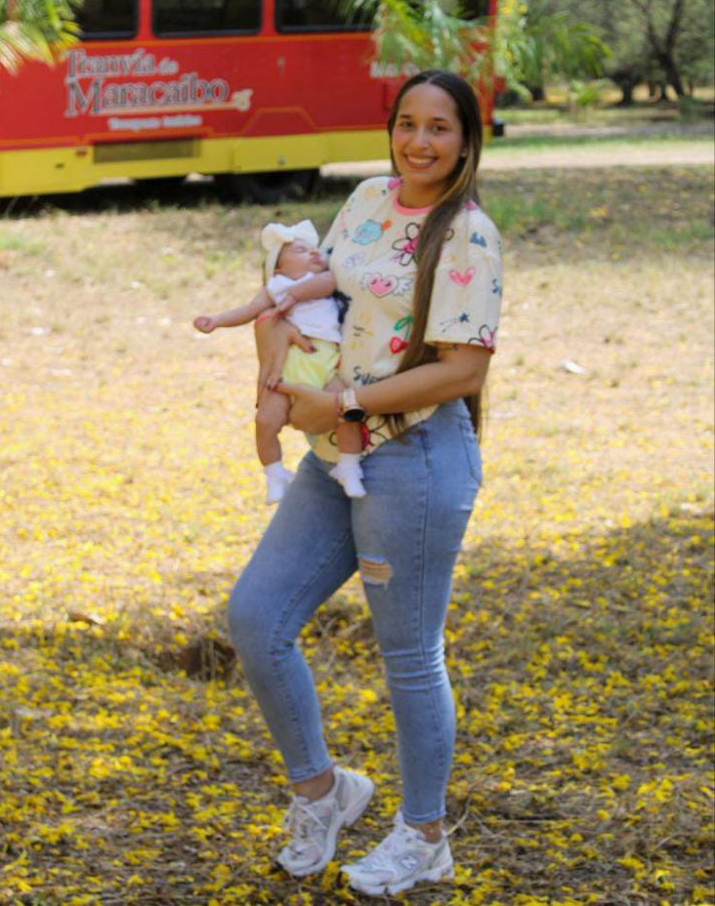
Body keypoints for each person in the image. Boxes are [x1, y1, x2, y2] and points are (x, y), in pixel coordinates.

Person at [226, 69, 504, 897]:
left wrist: (344, 400)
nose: (419, 142)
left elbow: (463, 371)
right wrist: (279, 360)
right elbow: (323, 302)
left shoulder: (469, 236)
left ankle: (424, 836)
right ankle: (324, 791)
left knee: (409, 656)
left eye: (439, 128)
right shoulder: (368, 200)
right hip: (332, 454)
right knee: (256, 617)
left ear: (467, 139)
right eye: (407, 123)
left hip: (413, 460)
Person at [193, 219, 366, 503]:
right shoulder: (276, 286)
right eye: (300, 250)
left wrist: (293, 296)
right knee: (265, 421)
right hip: (286, 369)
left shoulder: (322, 280)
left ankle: (348, 467)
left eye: (314, 249)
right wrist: (217, 320)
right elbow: (249, 310)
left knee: (346, 412)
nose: (313, 253)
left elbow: (327, 283)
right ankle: (275, 474)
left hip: (324, 362)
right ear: (278, 269)